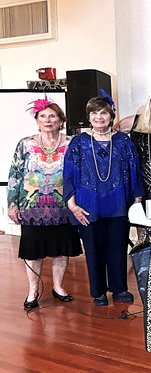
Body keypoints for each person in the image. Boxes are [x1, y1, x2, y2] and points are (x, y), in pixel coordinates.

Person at [63, 95, 144, 306]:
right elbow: (68, 175)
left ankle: (120, 288)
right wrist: (72, 205)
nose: (99, 117)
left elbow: (135, 171)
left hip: (119, 204)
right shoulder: (78, 142)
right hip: (88, 206)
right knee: (93, 249)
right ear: (88, 117)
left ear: (111, 116)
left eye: (103, 113)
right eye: (94, 113)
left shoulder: (124, 141)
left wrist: (137, 201)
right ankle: (98, 292)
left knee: (118, 247)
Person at [8, 97, 82, 308]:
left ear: (61, 120)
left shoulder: (72, 143)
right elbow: (15, 174)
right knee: (33, 251)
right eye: (43, 116)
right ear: (37, 120)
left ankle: (58, 287)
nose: (48, 120)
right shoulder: (25, 144)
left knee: (61, 249)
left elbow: (80, 174)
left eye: (53, 116)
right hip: (32, 207)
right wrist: (12, 203)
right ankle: (33, 291)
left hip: (63, 206)